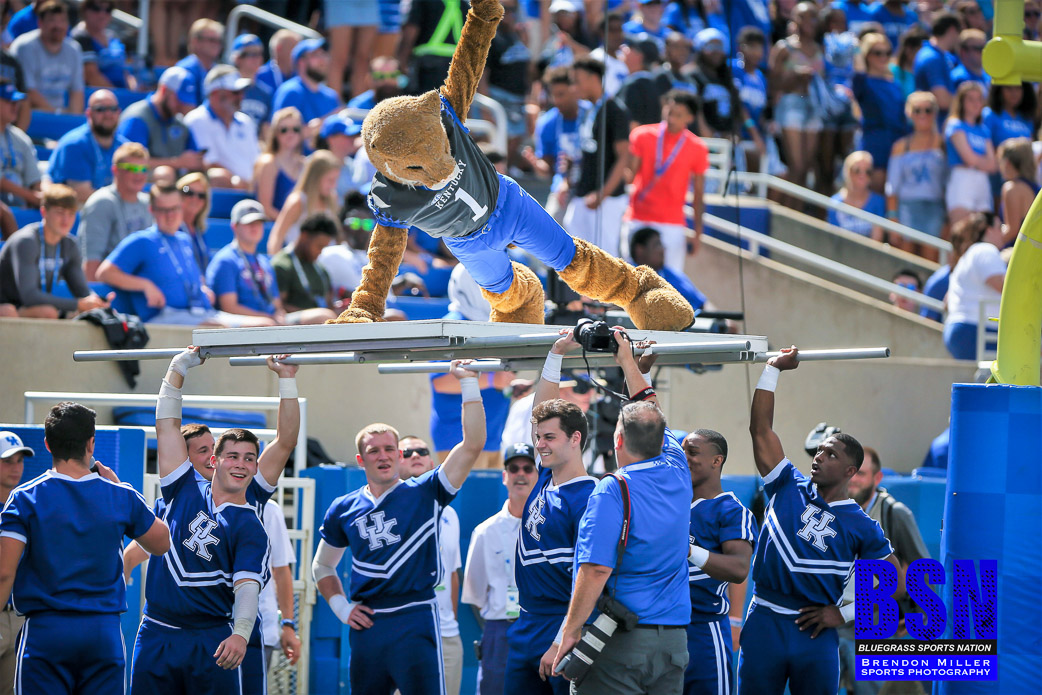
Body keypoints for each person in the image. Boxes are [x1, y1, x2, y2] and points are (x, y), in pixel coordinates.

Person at [123, 351, 301, 695]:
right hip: (158, 628)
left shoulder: (251, 515)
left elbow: (286, 441)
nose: (241, 464)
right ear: (215, 461)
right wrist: (178, 368)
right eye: (232, 456)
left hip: (215, 632)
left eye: (249, 458)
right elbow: (166, 425)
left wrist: (287, 379)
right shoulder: (180, 489)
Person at [312, 360, 485, 694]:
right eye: (373, 450)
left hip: (416, 617)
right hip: (369, 624)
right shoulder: (344, 508)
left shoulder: (426, 491)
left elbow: (473, 444)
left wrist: (468, 384)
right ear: (361, 460)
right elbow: (322, 566)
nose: (383, 455)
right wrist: (341, 608)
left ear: (399, 455)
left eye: (390, 448)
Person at [737, 346, 900, 695]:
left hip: (816, 633)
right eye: (819, 451)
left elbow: (895, 578)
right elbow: (760, 429)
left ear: (850, 471)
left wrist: (843, 614)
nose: (819, 457)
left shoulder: (862, 524)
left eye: (831, 454)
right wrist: (772, 369)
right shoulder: (786, 484)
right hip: (765, 617)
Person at [551, 332, 692, 695]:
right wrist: (629, 362)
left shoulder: (612, 488)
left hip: (621, 644)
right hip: (673, 644)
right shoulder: (678, 467)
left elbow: (596, 569)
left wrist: (570, 631)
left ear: (618, 440)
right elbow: (651, 409)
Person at [0, 402, 169, 695]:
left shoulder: (24, 498)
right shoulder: (120, 496)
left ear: (47, 444)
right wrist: (122, 487)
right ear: (91, 443)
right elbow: (162, 542)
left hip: (45, 631)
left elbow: (4, 573)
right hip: (103, 633)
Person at [506, 330, 598, 695]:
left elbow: (590, 577)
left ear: (575, 439)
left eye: (550, 438)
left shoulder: (591, 497)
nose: (540, 444)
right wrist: (556, 354)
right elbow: (539, 412)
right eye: (538, 438)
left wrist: (563, 637)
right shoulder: (545, 478)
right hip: (526, 623)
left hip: (563, 625)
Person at [97, 183, 271, 326]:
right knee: (217, 328)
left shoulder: (184, 240)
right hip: (166, 318)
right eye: (163, 210)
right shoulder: (142, 240)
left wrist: (202, 289)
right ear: (152, 210)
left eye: (175, 208)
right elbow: (104, 273)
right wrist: (145, 285)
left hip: (200, 313)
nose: (170, 215)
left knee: (266, 324)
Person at [838, 445, 931, 695]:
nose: (853, 480)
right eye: (850, 472)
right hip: (831, 627)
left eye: (861, 474)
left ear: (877, 478)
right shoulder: (831, 510)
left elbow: (922, 566)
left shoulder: (894, 513)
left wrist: (919, 614)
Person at [681, 428, 756, 695]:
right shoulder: (669, 503)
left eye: (692, 452)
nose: (684, 458)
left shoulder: (730, 509)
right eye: (681, 451)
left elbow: (739, 568)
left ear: (717, 460)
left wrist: (689, 550)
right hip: (658, 625)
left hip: (703, 627)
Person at [462, 443, 538, 695]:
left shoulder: (551, 528)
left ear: (537, 476)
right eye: (514, 468)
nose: (521, 474)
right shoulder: (486, 531)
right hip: (499, 629)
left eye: (528, 468)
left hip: (540, 626)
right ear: (504, 476)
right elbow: (475, 592)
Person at [397, 434, 466, 695]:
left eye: (422, 451)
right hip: (402, 632)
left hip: (445, 634)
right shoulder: (387, 510)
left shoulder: (450, 514)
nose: (415, 455)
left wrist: (451, 620)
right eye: (407, 453)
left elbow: (453, 574)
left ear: (431, 462)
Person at [207, 199, 336, 325]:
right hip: (246, 323)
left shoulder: (264, 262)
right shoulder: (226, 260)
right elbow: (229, 307)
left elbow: (277, 305)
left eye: (259, 223)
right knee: (267, 324)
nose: (255, 227)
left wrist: (278, 316)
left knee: (325, 316)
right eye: (248, 223)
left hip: (271, 321)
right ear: (234, 226)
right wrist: (268, 318)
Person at [0, 184, 112, 319]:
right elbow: (30, 296)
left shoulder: (70, 245)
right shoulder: (26, 241)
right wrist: (77, 304)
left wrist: (97, 301)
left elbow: (82, 291)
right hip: (7, 304)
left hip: (26, 306)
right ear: (44, 212)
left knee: (82, 315)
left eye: (71, 214)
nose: (66, 220)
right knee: (44, 312)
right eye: (60, 212)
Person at [625, 89, 708, 268]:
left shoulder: (697, 147)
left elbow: (699, 194)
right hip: (638, 217)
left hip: (672, 223)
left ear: (690, 118)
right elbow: (629, 176)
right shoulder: (642, 135)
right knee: (630, 276)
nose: (671, 119)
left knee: (670, 280)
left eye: (678, 115)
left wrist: (697, 233)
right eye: (669, 112)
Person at [563, 57, 631, 258]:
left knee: (605, 257)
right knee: (576, 255)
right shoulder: (588, 110)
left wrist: (603, 193)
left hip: (606, 199)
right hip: (583, 194)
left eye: (577, 81)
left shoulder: (615, 110)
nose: (574, 88)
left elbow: (623, 157)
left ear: (594, 78)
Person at [79, 142, 153, 281]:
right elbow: (90, 264)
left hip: (140, 285)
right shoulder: (102, 202)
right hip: (110, 288)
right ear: (115, 170)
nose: (138, 174)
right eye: (131, 168)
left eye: (143, 169)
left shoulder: (147, 202)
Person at [885, 90, 947, 259]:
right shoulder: (900, 146)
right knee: (906, 257)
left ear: (935, 113)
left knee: (931, 258)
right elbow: (892, 185)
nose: (922, 114)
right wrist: (893, 217)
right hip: (907, 207)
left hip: (935, 207)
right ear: (909, 113)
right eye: (917, 110)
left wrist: (947, 218)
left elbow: (949, 182)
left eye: (928, 110)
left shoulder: (943, 143)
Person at [116, 66, 205, 181]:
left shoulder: (180, 122)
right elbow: (130, 163)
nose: (182, 106)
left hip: (181, 189)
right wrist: (177, 163)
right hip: (143, 186)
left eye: (185, 101)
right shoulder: (137, 118)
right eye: (178, 100)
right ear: (163, 90)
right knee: (164, 174)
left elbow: (195, 161)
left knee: (214, 177)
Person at [528, 66, 591, 222]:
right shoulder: (546, 123)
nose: (557, 101)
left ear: (574, 90)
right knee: (548, 226)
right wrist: (537, 165)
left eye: (561, 94)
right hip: (562, 191)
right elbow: (548, 168)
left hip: (591, 187)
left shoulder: (592, 114)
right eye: (553, 95)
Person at [185, 66, 261, 190]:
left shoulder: (246, 122)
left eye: (241, 92)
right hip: (222, 191)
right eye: (235, 92)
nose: (241, 97)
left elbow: (257, 161)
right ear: (216, 93)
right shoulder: (197, 120)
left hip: (252, 189)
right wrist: (239, 182)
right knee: (218, 177)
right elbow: (209, 164)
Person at [45, 89, 126, 203]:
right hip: (74, 208)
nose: (108, 114)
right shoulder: (74, 144)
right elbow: (81, 194)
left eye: (113, 109)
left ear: (119, 112)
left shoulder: (124, 146)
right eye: (100, 109)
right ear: (89, 113)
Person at [943, 213, 1006, 360]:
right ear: (989, 230)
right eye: (1000, 227)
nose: (1003, 232)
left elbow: (946, 301)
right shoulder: (985, 250)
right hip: (974, 331)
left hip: (961, 330)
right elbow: (1005, 287)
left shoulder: (969, 255)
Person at [852, 32, 908, 194]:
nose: (883, 57)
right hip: (875, 144)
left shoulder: (895, 84)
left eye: (887, 53)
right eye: (877, 53)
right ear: (867, 55)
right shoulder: (863, 81)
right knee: (875, 192)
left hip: (897, 143)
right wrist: (856, 49)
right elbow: (858, 74)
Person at [9, 0, 83, 114]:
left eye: (62, 20)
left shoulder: (74, 49)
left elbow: (77, 92)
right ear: (40, 23)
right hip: (28, 114)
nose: (58, 26)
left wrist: (72, 118)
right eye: (52, 20)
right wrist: (56, 114)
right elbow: (27, 90)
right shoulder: (24, 47)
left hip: (59, 114)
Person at [267, 149, 343, 254]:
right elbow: (277, 236)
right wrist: (276, 261)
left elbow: (337, 237)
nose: (334, 185)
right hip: (300, 259)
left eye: (336, 180)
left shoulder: (333, 198)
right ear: (315, 178)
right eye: (330, 180)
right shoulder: (297, 201)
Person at [0, 431, 31, 690]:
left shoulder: (28, 507)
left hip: (20, 615)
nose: (16, 468)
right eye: (7, 461)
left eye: (19, 461)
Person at [945, 81, 997, 226]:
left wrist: (977, 162)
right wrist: (982, 162)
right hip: (962, 179)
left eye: (979, 99)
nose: (976, 104)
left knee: (984, 227)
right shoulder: (955, 125)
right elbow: (969, 159)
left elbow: (993, 165)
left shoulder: (983, 130)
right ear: (961, 102)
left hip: (982, 181)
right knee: (962, 227)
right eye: (970, 99)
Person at [259, 499, 301, 671]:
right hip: (211, 627)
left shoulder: (269, 509)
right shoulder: (199, 502)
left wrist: (288, 625)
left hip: (260, 629)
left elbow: (282, 570)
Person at [272, 211, 338, 314]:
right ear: (304, 236)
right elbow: (278, 307)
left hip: (321, 318)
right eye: (319, 246)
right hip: (294, 321)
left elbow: (329, 304)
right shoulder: (282, 266)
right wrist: (314, 315)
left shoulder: (321, 270)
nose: (320, 252)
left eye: (324, 247)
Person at [271, 38, 341, 135]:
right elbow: (281, 135)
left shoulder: (331, 96)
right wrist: (329, 120)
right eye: (316, 55)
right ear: (301, 62)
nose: (323, 60)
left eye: (324, 54)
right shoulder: (291, 92)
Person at [629, 226, 707, 312]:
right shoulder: (628, 278)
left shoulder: (672, 275)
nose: (662, 249)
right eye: (657, 244)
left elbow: (700, 304)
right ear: (639, 250)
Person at [254, 107, 307, 221]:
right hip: (276, 226)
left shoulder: (305, 164)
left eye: (296, 129)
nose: (290, 134)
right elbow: (266, 208)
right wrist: (290, 225)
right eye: (284, 130)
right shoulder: (269, 163)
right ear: (275, 133)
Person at [72, 0, 134, 90]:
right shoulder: (80, 36)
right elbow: (91, 75)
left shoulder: (113, 36)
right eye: (96, 8)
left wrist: (132, 90)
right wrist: (117, 95)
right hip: (98, 95)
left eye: (108, 10)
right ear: (85, 10)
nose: (102, 15)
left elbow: (125, 71)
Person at [325, 0, 379, 100]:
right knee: (339, 58)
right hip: (340, 3)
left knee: (364, 59)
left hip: (369, 3)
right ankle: (334, 103)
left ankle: (358, 104)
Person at [827, 151, 887, 240]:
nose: (862, 175)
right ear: (847, 172)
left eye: (868, 172)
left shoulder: (878, 202)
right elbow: (834, 239)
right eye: (857, 170)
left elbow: (876, 242)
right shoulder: (835, 202)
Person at [913, 12, 961, 122]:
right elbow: (942, 100)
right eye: (959, 32)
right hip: (934, 125)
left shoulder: (940, 55)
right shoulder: (932, 57)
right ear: (952, 30)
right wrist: (968, 105)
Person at [0, 83, 41, 209]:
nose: (15, 106)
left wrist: (41, 196)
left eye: (16, 102)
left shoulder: (21, 138)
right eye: (8, 101)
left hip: (22, 205)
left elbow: (35, 180)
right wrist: (32, 197)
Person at [997, 138, 1040, 247]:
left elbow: (1012, 231)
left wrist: (990, 242)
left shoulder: (1011, 188)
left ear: (1007, 163)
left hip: (1015, 251)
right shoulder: (1037, 188)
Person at [231, 34, 273, 131]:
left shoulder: (265, 93)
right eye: (251, 54)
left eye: (259, 54)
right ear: (237, 58)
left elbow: (265, 129)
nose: (257, 58)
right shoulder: (228, 89)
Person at [175, 19, 225, 97]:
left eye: (219, 41)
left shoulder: (220, 71)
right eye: (212, 40)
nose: (216, 44)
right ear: (196, 42)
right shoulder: (184, 70)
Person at [177, 172, 212, 272]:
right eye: (189, 192)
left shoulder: (199, 231)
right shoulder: (171, 227)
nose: (195, 198)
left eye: (201, 195)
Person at [256, 30, 300, 96]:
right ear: (279, 49)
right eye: (294, 49)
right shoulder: (259, 76)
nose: (297, 55)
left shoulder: (301, 78)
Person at [950, 29, 989, 94]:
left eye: (986, 48)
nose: (983, 52)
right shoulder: (959, 78)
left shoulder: (987, 76)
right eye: (979, 48)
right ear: (963, 52)